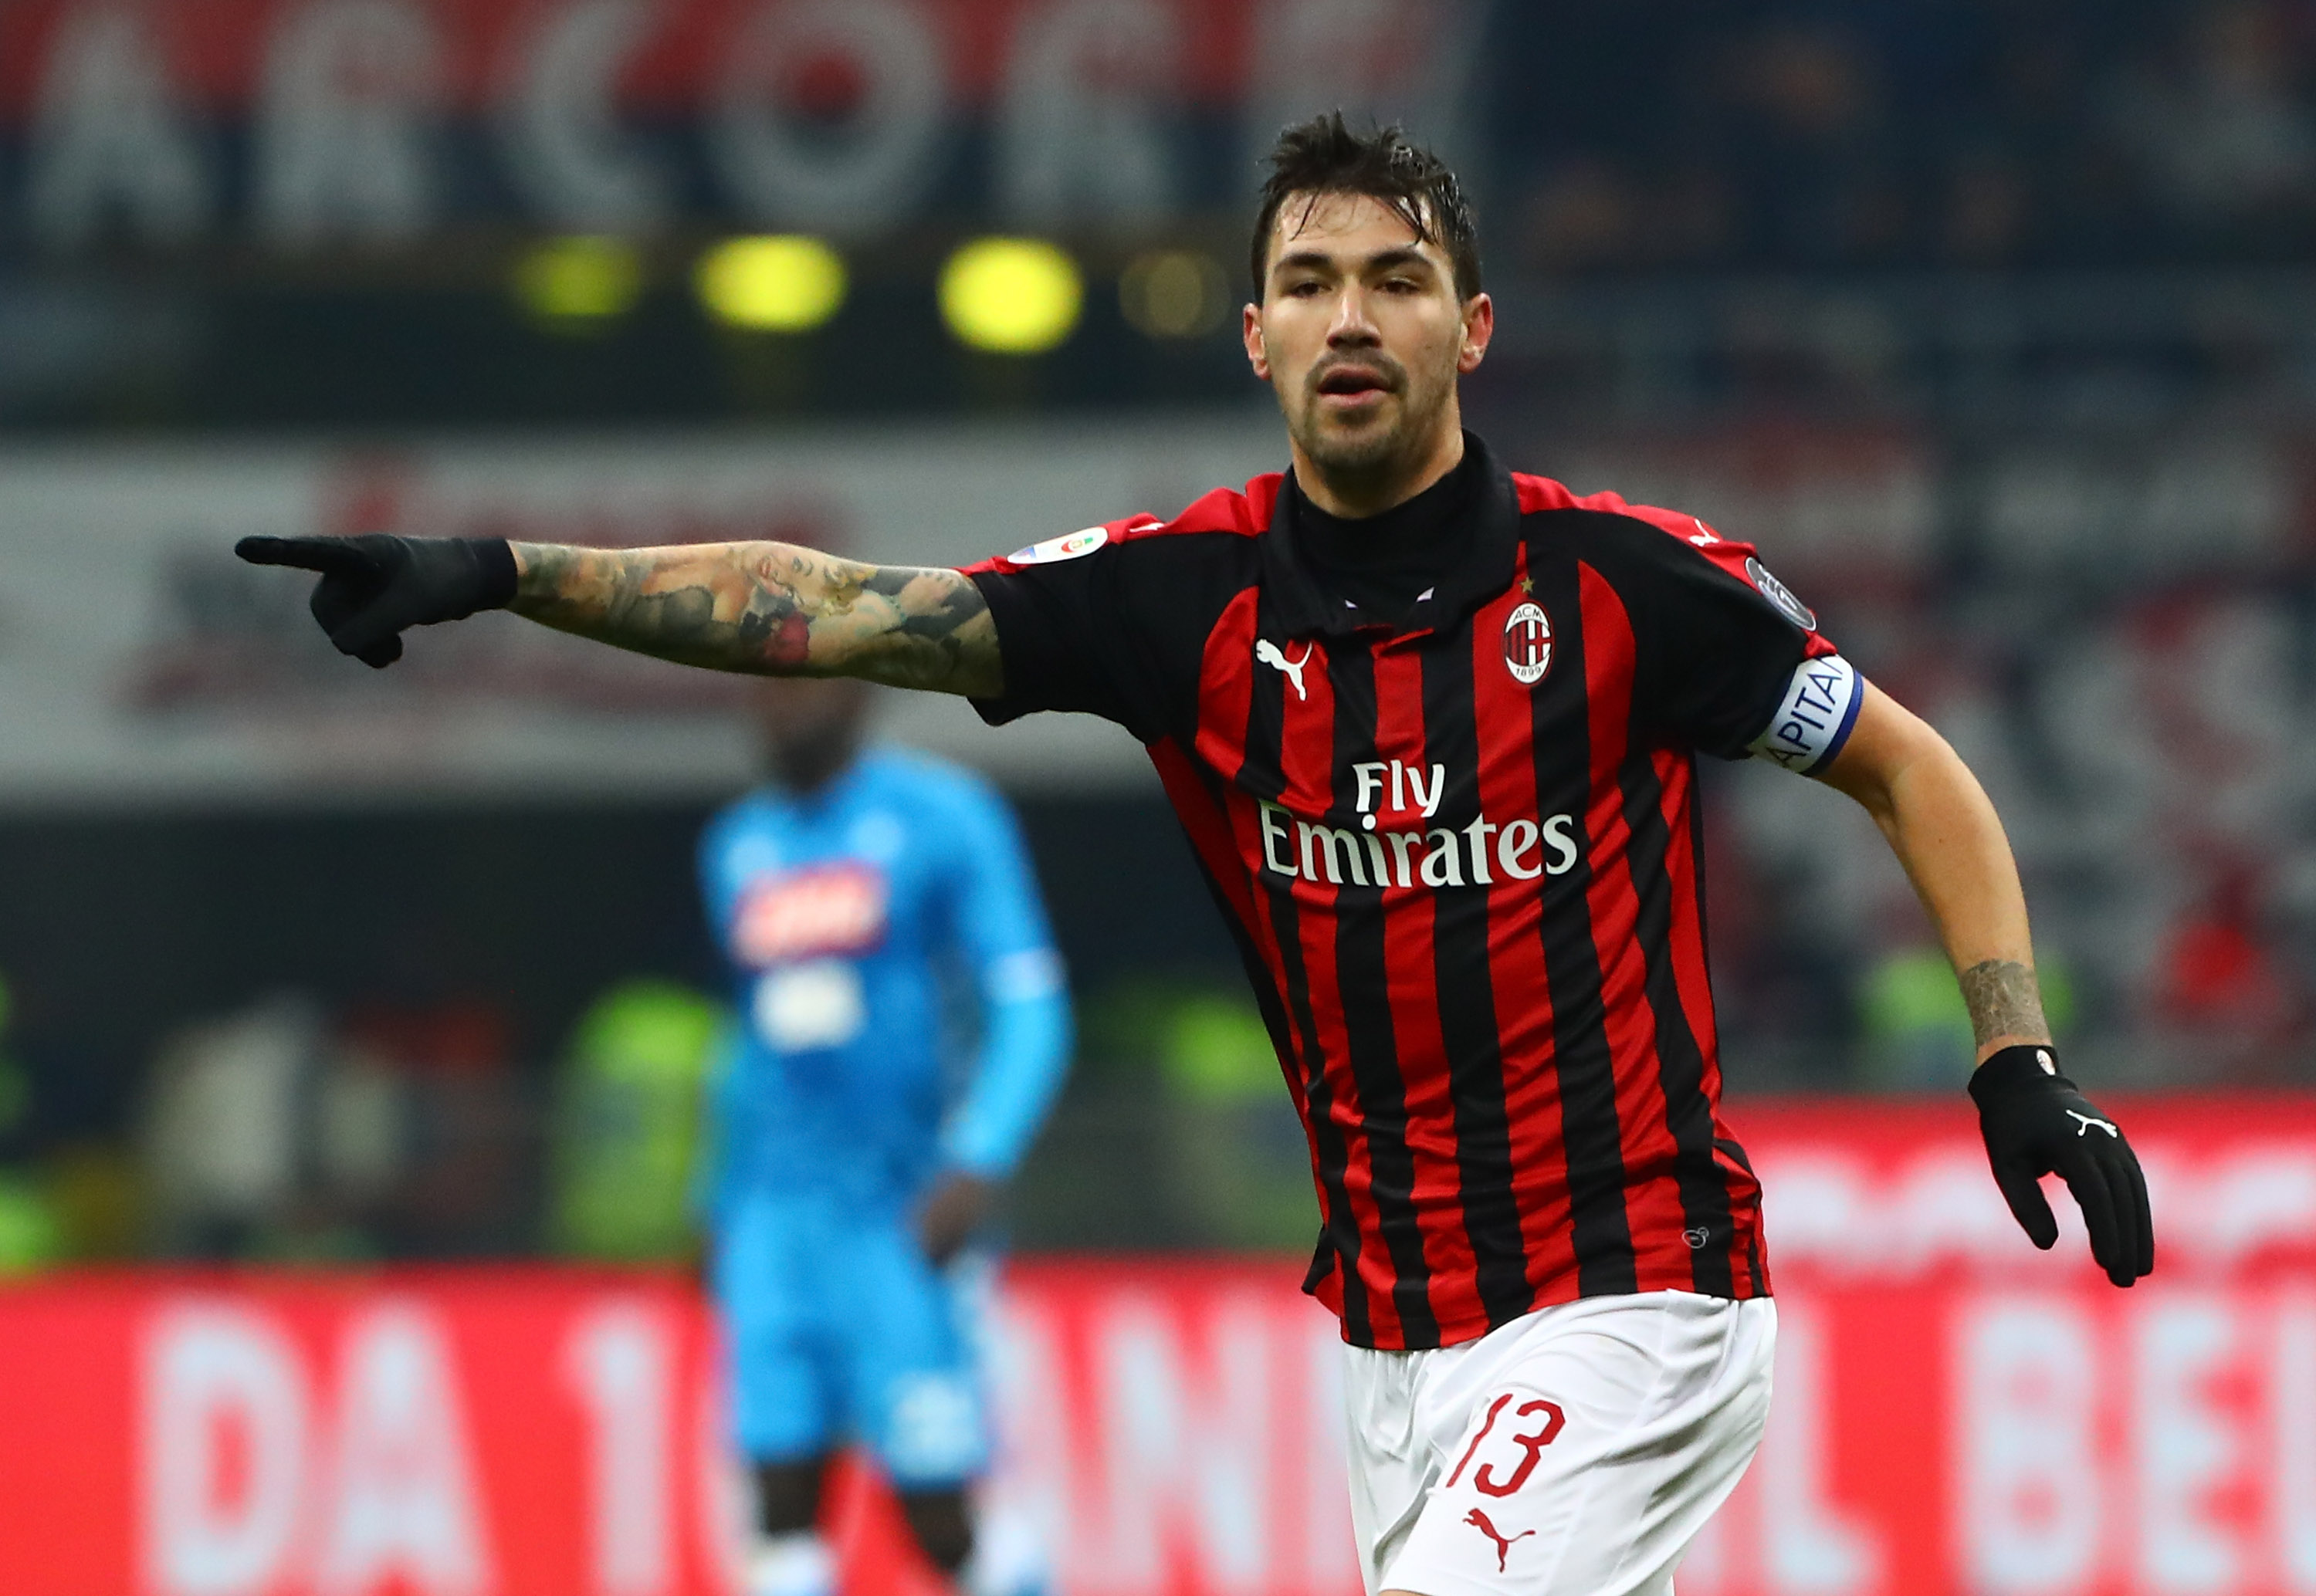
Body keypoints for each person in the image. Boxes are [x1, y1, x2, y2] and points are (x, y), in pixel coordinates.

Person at [239, 113, 2153, 1596]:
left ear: (1468, 328)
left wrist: (2015, 1058)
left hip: (1631, 1292)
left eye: (1394, 279)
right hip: (1391, 1337)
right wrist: (496, 572)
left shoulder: (1636, 591)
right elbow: (832, 610)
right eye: (1307, 281)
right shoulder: (1181, 606)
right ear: (1251, 335)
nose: (1348, 315)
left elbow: (1912, 770)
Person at [692, 675, 1071, 1596]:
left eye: (800, 683)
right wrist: (716, 1194)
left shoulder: (944, 818)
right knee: (779, 1502)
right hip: (775, 1216)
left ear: (858, 690)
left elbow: (1029, 1003)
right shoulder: (738, 846)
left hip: (898, 1211)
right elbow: (752, 1039)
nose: (777, 705)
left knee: (939, 1518)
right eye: (760, 686)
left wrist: (980, 1155)